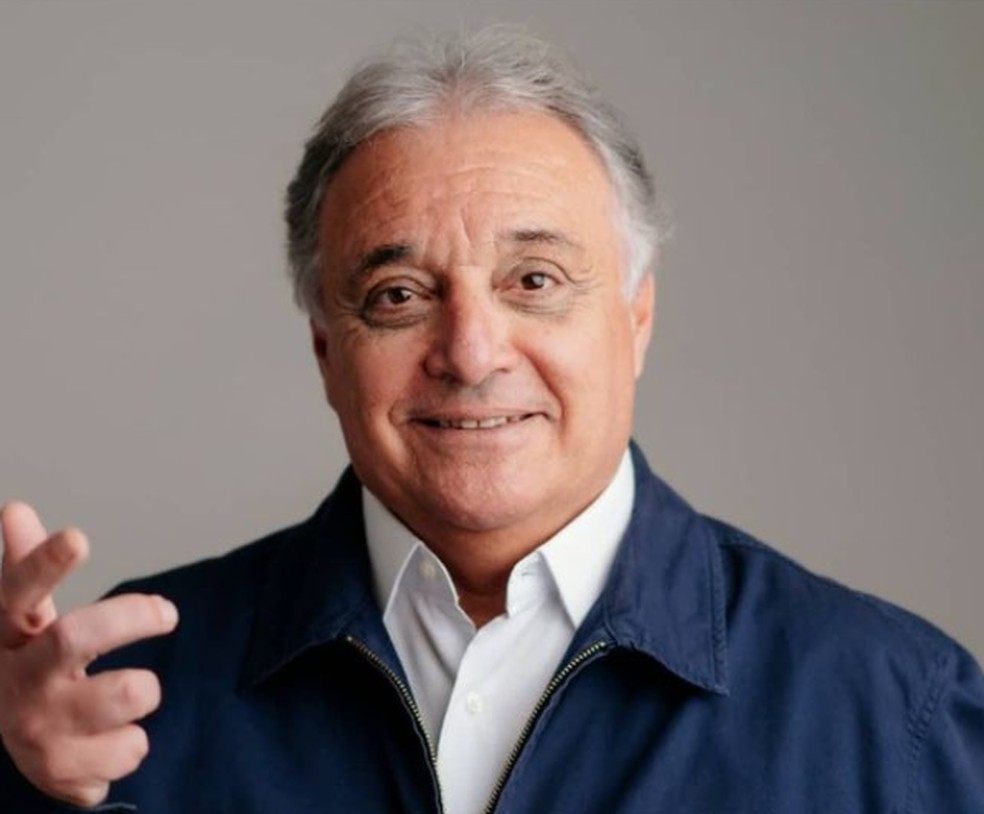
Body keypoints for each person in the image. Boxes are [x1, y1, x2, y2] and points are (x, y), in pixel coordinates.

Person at [1, 27, 982, 814]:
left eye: (535, 280)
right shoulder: (114, 696)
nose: (471, 353)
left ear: (636, 319)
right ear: (326, 351)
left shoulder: (895, 710)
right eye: (397, 295)